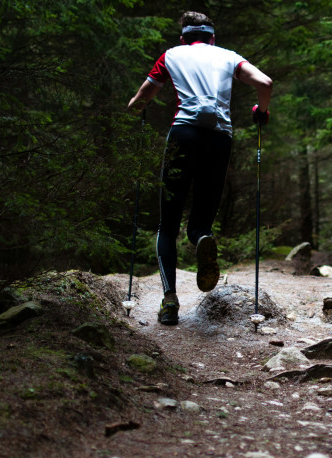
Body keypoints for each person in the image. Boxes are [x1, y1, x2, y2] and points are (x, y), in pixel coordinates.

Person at [128, 12, 273, 325]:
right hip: (220, 139)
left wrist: (135, 109)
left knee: (168, 223)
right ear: (212, 38)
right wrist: (261, 111)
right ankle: (201, 239)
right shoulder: (228, 57)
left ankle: (169, 302)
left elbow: (143, 97)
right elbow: (265, 82)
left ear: (183, 38)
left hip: (183, 135)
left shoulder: (171, 55)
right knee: (200, 222)